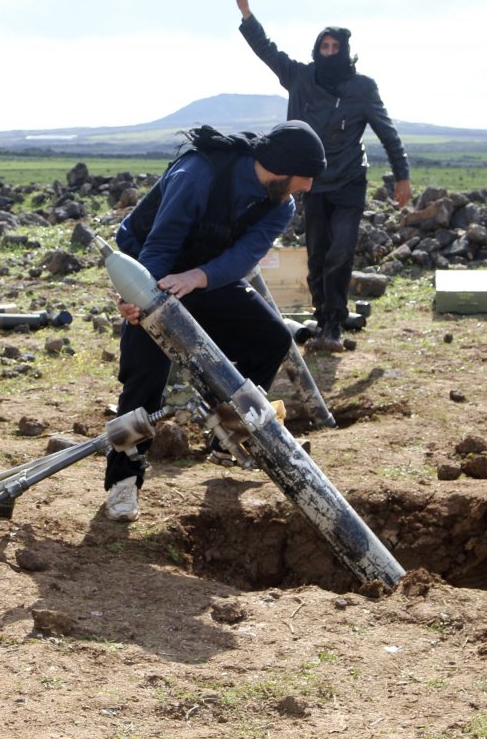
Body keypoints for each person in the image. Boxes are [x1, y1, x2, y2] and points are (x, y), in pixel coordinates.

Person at [104, 120, 326, 522]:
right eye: (305, 176)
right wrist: (136, 298)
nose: (308, 187)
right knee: (144, 377)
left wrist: (197, 278)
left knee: (272, 339)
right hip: (152, 265)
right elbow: (162, 241)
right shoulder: (200, 172)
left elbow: (243, 257)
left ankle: (229, 434)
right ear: (281, 166)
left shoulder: (282, 203)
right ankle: (123, 483)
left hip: (202, 276)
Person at [231, 0, 412, 352]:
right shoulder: (300, 78)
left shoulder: (362, 88)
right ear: (317, 49)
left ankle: (334, 324)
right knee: (316, 255)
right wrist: (247, 13)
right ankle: (322, 314)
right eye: (324, 46)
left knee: (341, 252)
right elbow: (268, 51)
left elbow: (387, 131)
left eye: (335, 47)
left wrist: (402, 176)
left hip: (348, 181)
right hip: (311, 184)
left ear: (345, 51)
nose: (329, 52)